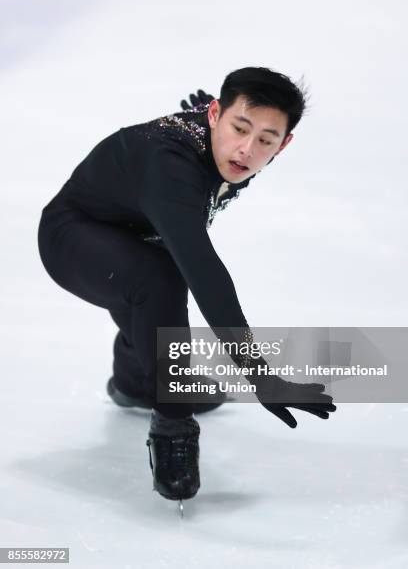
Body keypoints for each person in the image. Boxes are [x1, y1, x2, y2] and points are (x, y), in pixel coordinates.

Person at [37, 67, 336, 504]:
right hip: (73, 236)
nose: (246, 150)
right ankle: (173, 427)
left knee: (152, 275)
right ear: (215, 115)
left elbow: (218, 127)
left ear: (284, 143)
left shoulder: (224, 137)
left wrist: (204, 111)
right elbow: (205, 274)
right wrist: (259, 375)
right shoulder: (171, 169)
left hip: (134, 235)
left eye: (266, 140)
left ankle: (135, 381)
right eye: (239, 127)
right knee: (162, 278)